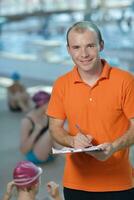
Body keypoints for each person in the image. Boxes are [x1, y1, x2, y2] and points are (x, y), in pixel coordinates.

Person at [47, 21, 134, 200]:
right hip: (76, 183)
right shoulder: (61, 84)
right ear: (69, 50)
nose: (84, 54)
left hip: (119, 183)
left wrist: (114, 147)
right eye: (76, 47)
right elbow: (54, 128)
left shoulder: (126, 81)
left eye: (90, 46)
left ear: (101, 45)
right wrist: (71, 140)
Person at [20, 91, 53, 164]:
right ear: (43, 104)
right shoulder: (27, 121)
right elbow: (23, 150)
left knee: (63, 127)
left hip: (50, 153)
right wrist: (35, 132)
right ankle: (73, 160)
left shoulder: (48, 115)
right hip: (35, 156)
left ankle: (74, 157)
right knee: (52, 131)